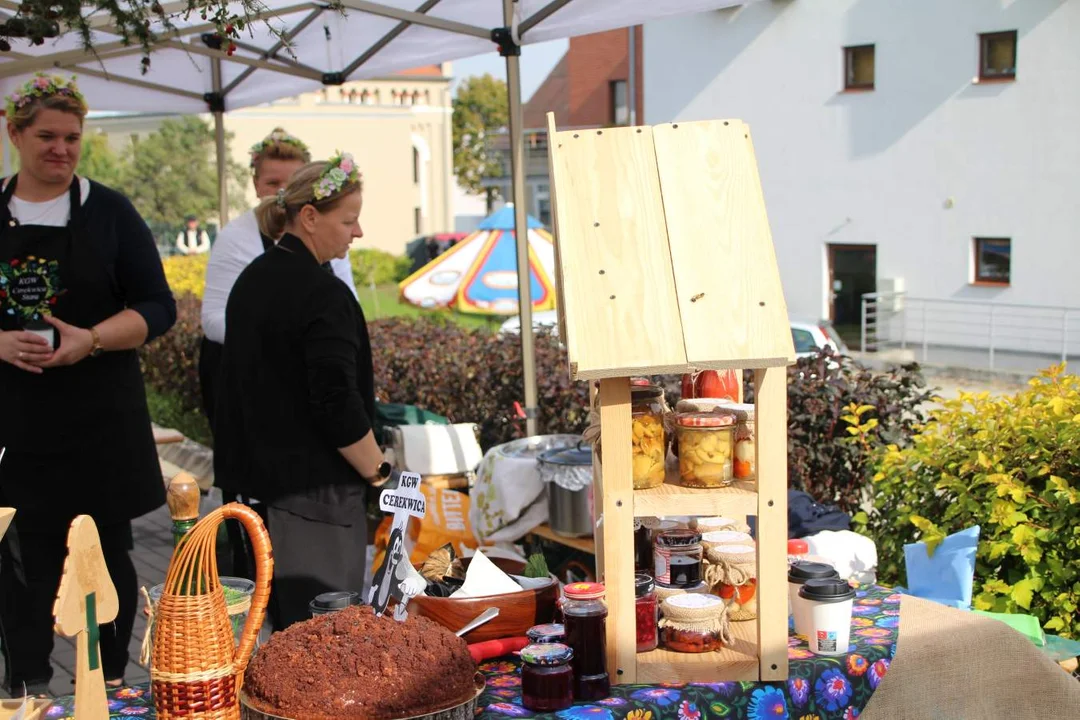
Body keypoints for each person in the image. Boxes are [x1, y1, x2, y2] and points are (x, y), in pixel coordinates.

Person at [0, 73, 176, 695]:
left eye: (72, 138)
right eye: (46, 136)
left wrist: (92, 338)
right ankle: (26, 685)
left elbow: (158, 307)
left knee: (105, 560)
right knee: (20, 564)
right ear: (14, 132)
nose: (61, 149)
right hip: (14, 427)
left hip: (99, 423)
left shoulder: (110, 212)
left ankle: (110, 685)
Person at [214, 154, 390, 629]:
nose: (357, 233)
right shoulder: (322, 293)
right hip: (315, 501)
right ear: (309, 217)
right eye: (348, 220)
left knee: (276, 637)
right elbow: (336, 402)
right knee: (325, 644)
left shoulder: (254, 278)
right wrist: (379, 472)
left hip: (258, 493)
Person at [199, 129, 358, 583]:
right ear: (256, 185)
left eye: (292, 183)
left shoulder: (323, 259)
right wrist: (279, 339)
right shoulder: (238, 240)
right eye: (273, 184)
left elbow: (340, 306)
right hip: (255, 395)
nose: (281, 194)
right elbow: (213, 319)